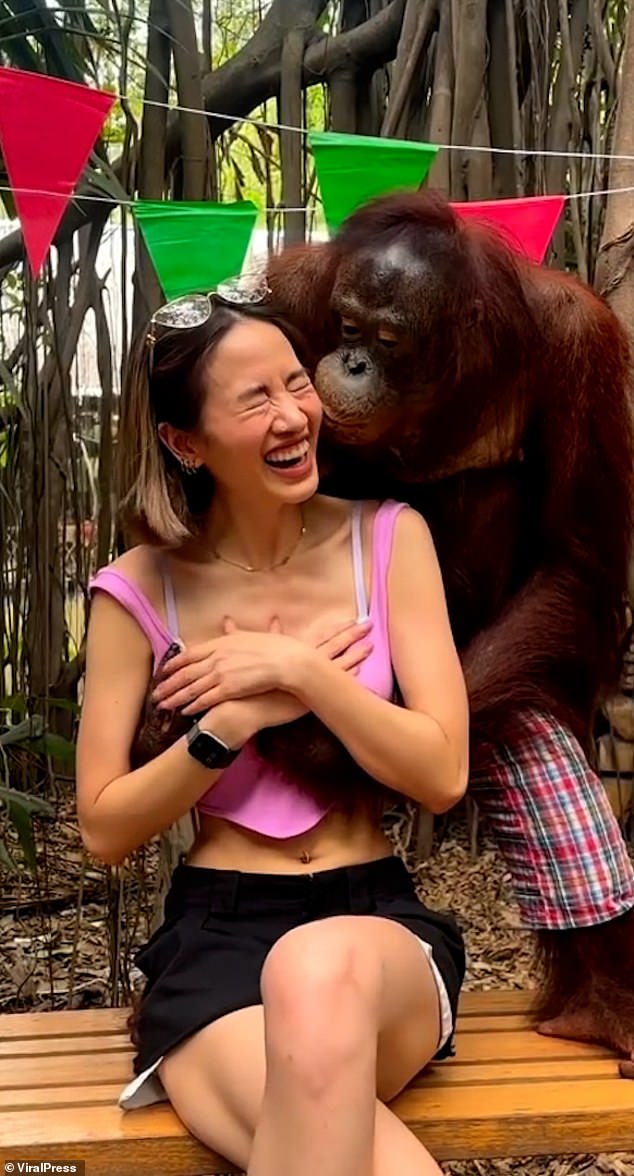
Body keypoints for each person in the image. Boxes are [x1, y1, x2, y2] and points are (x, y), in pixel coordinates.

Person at [75, 280, 469, 1176]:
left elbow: (443, 772)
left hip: (375, 934)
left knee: (314, 966)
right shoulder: (138, 588)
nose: (295, 415)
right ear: (185, 442)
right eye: (255, 400)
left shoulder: (389, 540)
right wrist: (230, 723)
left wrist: (300, 674)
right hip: (216, 942)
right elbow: (103, 825)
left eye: (297, 383)